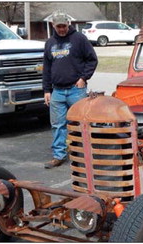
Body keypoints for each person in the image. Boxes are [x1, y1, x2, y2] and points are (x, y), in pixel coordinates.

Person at [43, 10, 98, 169]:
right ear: (53, 25)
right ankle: (59, 155)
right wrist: (47, 90)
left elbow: (92, 60)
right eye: (58, 26)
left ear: (69, 24)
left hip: (76, 90)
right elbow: (47, 68)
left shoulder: (79, 39)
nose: (61, 29)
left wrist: (83, 78)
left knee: (82, 123)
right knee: (58, 125)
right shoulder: (50, 43)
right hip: (57, 91)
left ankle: (84, 154)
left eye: (64, 26)